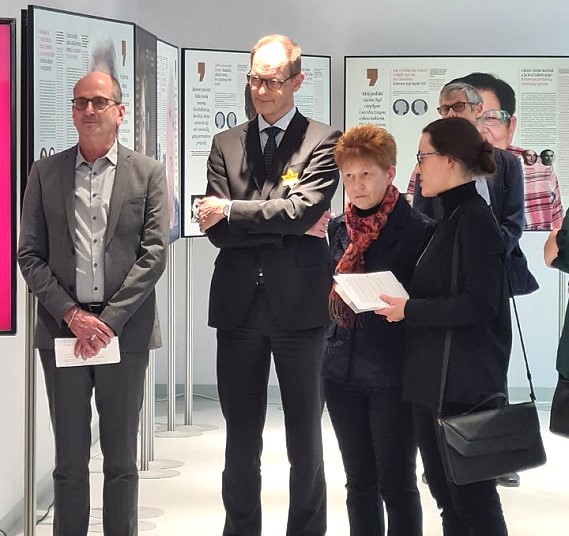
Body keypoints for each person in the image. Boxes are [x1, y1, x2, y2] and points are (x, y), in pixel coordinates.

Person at [196, 34, 340, 536]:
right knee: (240, 440)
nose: (261, 90)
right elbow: (216, 231)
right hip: (238, 309)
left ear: (297, 81)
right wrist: (286, 223)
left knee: (305, 439)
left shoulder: (323, 140)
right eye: (255, 79)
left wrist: (235, 210)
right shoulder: (225, 143)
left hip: (301, 309)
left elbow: (305, 209)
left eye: (273, 81)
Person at [18, 71, 169, 536]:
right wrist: (73, 315)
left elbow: (154, 254)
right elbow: (29, 254)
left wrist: (109, 321)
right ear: (71, 112)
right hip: (63, 332)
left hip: (124, 334)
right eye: (80, 102)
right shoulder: (45, 173)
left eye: (99, 102)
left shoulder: (148, 172)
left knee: (121, 459)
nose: (88, 110)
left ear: (120, 112)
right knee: (69, 461)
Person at [378, 117, 511, 536]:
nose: (417, 167)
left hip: (462, 388)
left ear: (449, 160)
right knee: (447, 498)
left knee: (473, 502)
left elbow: (482, 303)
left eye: (422, 157)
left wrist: (410, 310)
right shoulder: (449, 218)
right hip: (433, 381)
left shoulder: (475, 220)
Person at [323, 125, 431, 535]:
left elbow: (423, 301)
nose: (356, 185)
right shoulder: (338, 228)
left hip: (392, 370)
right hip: (341, 368)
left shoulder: (418, 229)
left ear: (389, 173)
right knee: (358, 482)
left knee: (397, 483)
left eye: (366, 174)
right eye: (349, 176)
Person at [454, 72, 563, 231]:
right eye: (468, 120)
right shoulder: (431, 168)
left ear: (510, 127)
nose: (478, 130)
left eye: (490, 118)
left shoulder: (539, 172)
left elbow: (558, 239)